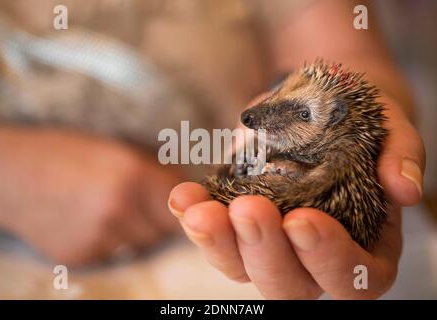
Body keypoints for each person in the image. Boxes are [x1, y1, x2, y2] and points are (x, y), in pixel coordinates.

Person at [0, 0, 425, 299]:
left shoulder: (330, 140)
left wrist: (373, 92)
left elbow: (335, 49)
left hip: (222, 265)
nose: (260, 116)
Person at [167, 0, 425, 299]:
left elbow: (351, 53)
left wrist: (383, 93)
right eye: (278, 93)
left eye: (301, 113)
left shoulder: (341, 156)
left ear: (337, 119)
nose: (254, 116)